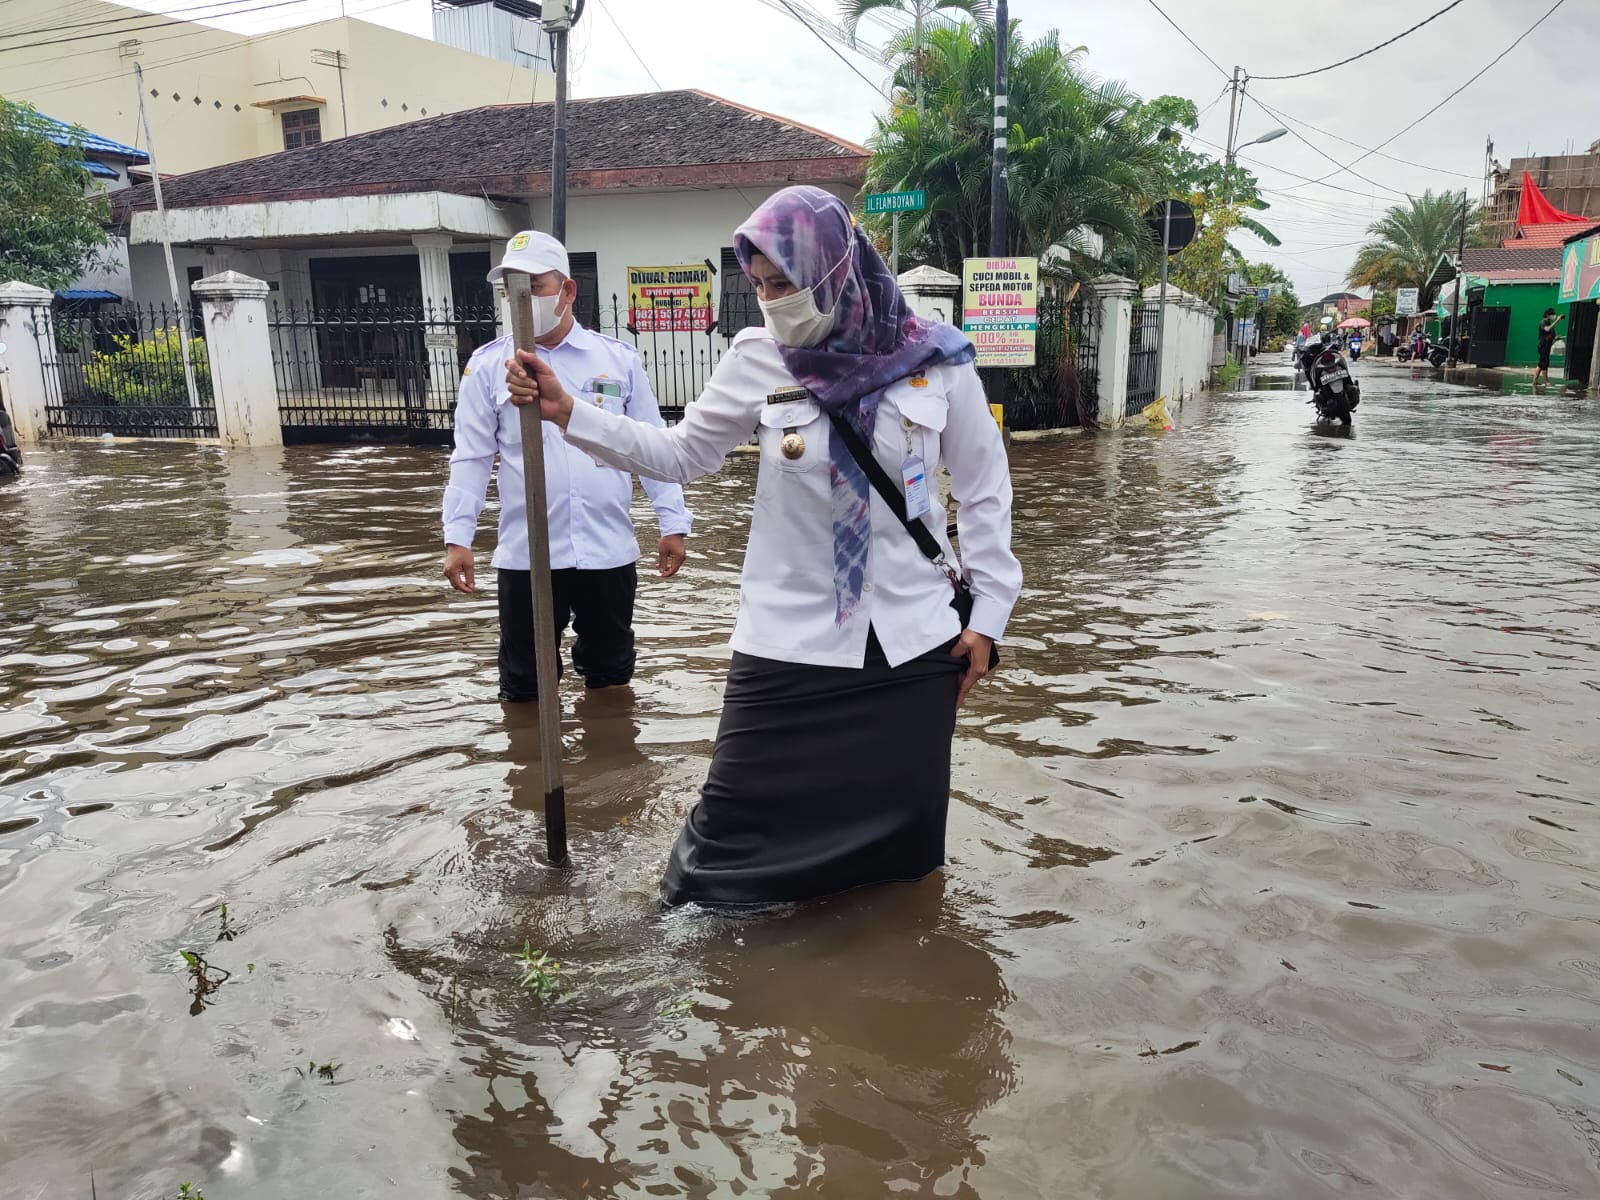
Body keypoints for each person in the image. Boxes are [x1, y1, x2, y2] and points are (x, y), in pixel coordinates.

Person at [506, 186, 1021, 909]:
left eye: (785, 281)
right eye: (761, 285)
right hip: (787, 642)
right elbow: (681, 454)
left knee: (898, 868)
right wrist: (570, 412)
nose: (774, 300)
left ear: (836, 266)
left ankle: (871, 963)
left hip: (911, 648)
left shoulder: (936, 360)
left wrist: (988, 617)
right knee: (712, 866)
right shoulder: (757, 357)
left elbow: (984, 489)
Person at [442, 230, 693, 701]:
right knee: (525, 687)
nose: (521, 299)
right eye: (510, 289)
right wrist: (458, 537)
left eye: (533, 286)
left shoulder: (616, 360)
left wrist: (672, 523)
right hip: (527, 554)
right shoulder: (488, 367)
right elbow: (471, 458)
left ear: (567, 290)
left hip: (607, 548)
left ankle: (612, 768)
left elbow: (652, 445)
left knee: (612, 678)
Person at [1534, 307, 1564, 386]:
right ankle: (1546, 382)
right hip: (1543, 346)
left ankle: (1535, 381)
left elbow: (1551, 334)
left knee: (1540, 364)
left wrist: (1557, 337)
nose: (1553, 316)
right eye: (1552, 314)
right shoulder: (1543, 322)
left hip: (1547, 345)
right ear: (1547, 315)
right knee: (1545, 364)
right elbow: (1547, 329)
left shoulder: (1549, 323)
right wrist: (1557, 320)